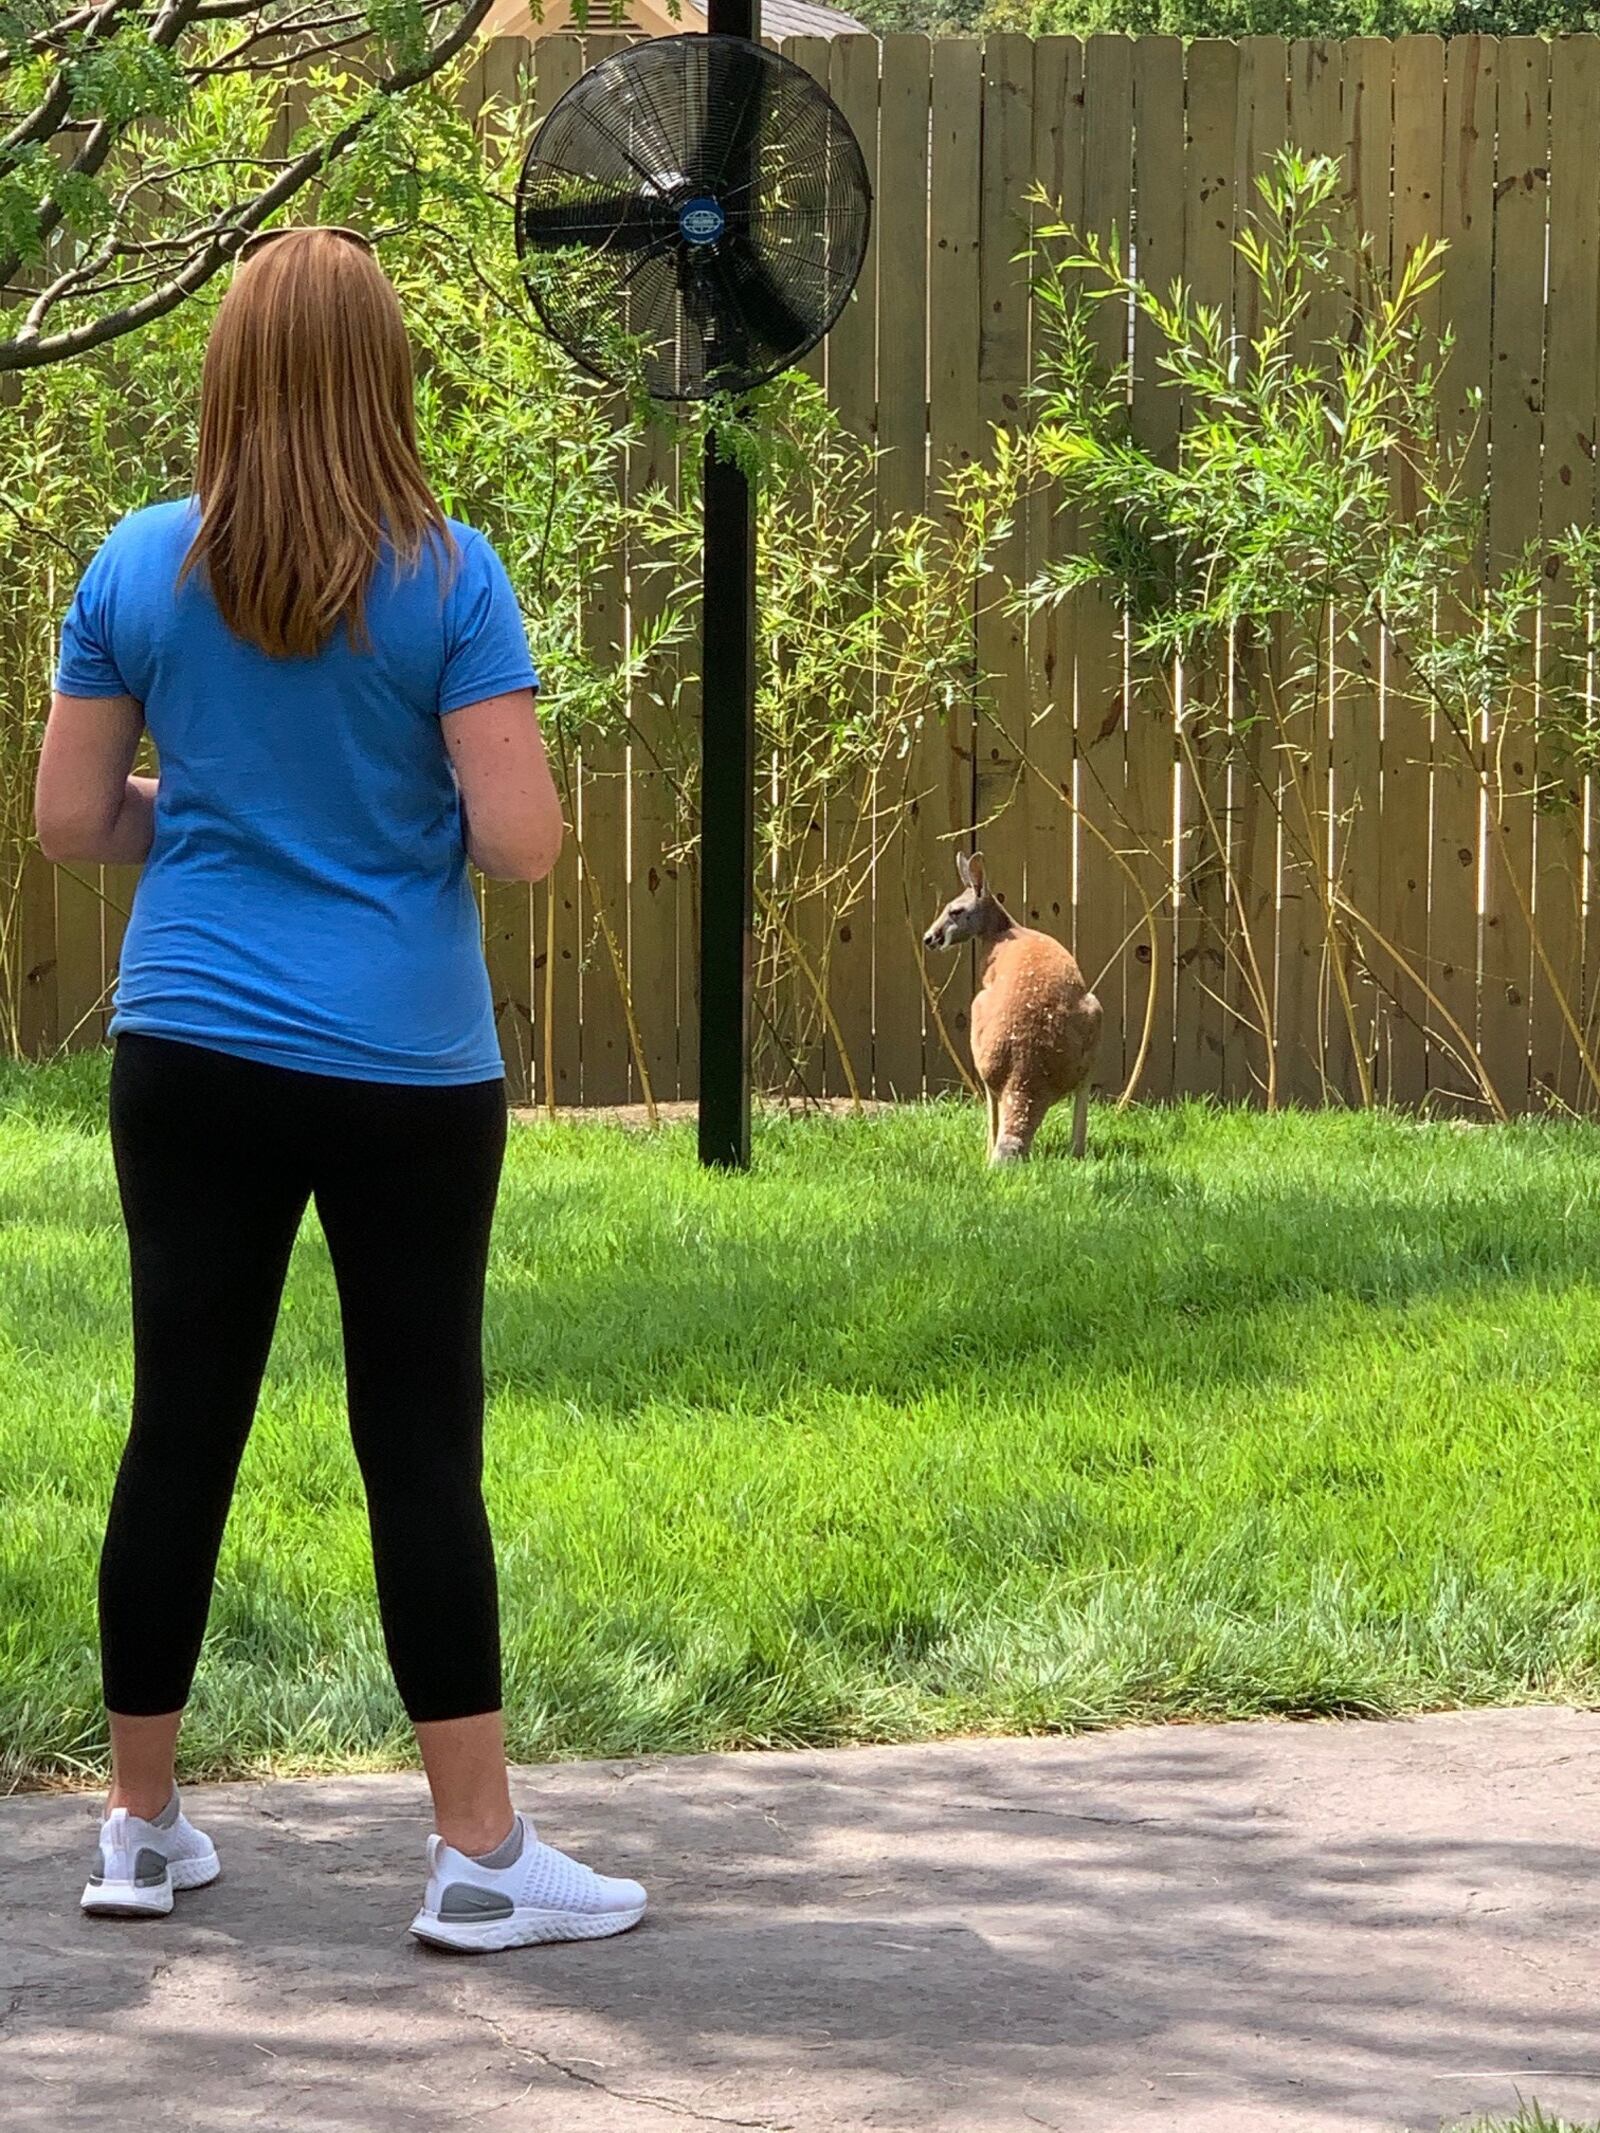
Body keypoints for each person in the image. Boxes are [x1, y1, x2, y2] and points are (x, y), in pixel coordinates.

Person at [33, 225, 646, 1955]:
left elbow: (74, 821)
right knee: (417, 1445)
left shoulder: (139, 567)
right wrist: (386, 827)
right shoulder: (454, 580)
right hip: (403, 1068)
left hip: (191, 1051)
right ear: (388, 377)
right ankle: (475, 1853)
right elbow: (522, 842)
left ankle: (137, 1829)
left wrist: (211, 818)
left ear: (224, 372)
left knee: (182, 1429)